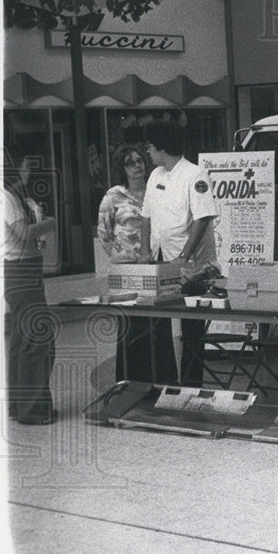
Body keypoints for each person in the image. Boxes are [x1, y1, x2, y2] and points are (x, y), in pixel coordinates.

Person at [139, 122, 217, 387]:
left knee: (191, 325)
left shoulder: (195, 175)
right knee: (158, 323)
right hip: (159, 261)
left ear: (162, 146)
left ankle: (192, 383)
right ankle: (165, 379)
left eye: (149, 146)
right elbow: (146, 216)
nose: (147, 152)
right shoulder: (155, 176)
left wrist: (184, 255)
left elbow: (203, 218)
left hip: (188, 264)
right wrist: (144, 251)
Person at [98, 144, 178, 384]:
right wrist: (122, 255)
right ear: (122, 168)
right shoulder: (114, 195)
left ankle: (163, 382)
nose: (137, 166)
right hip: (127, 269)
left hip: (155, 266)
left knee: (159, 324)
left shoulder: (157, 189)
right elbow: (104, 232)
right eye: (130, 162)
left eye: (139, 160)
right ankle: (131, 383)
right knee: (131, 325)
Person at [2, 146, 57, 424]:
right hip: (22, 272)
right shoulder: (7, 197)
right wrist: (48, 222)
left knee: (22, 340)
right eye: (24, 166)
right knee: (38, 338)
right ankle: (33, 409)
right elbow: (24, 234)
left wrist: (34, 212)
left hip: (21, 271)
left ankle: (18, 404)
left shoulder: (12, 197)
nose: (28, 171)